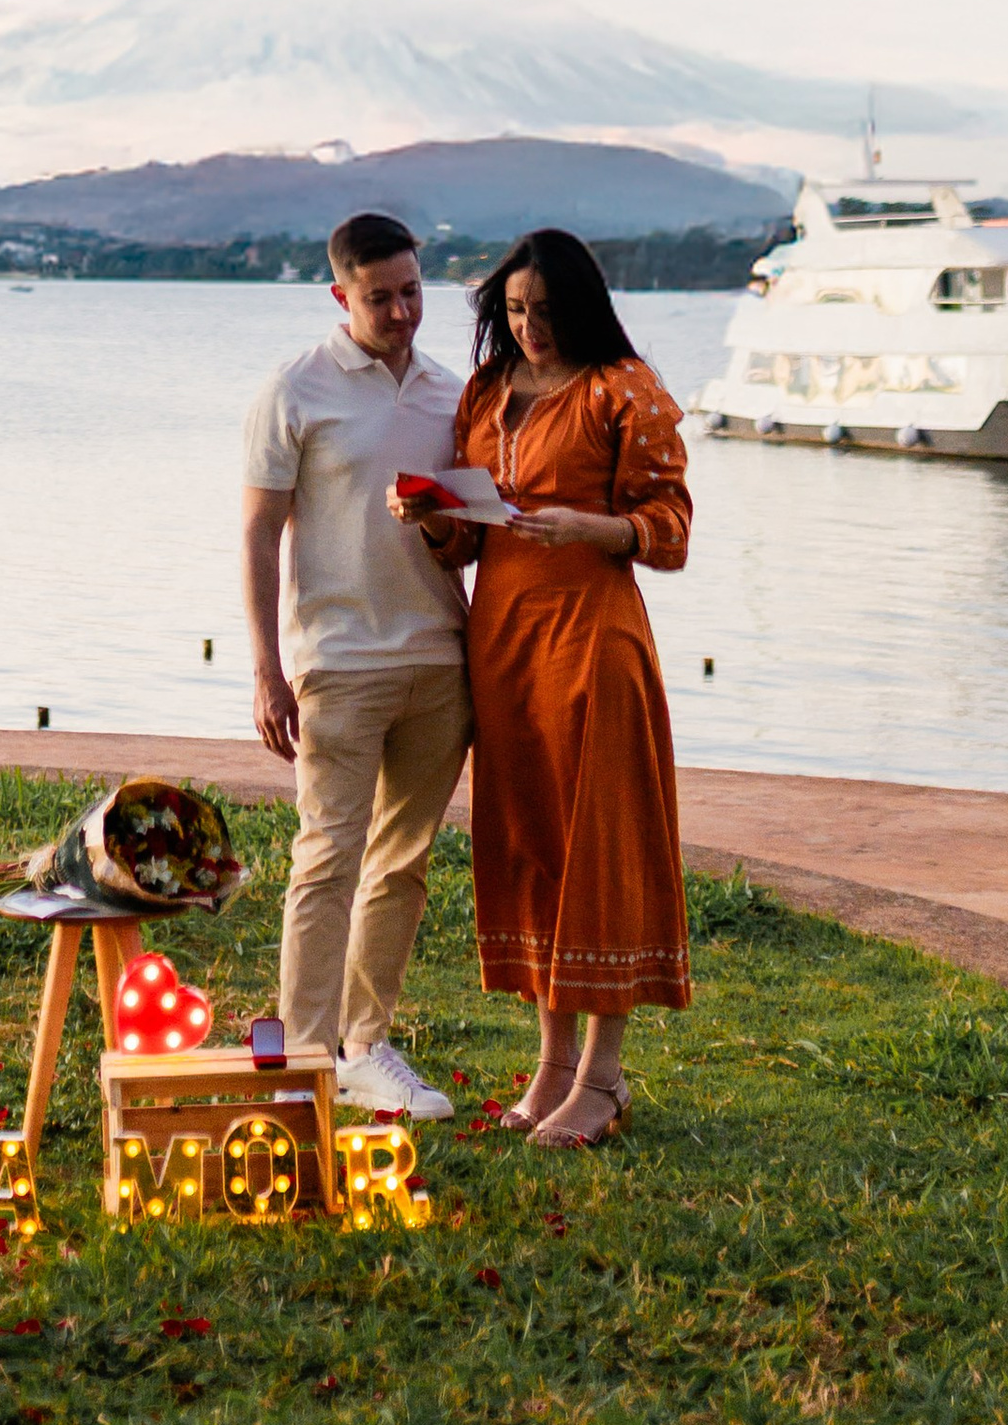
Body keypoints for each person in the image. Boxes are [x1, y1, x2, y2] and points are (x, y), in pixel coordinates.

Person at [394, 225, 690, 1148]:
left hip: (594, 634)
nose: (532, 328)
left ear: (585, 307)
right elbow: (475, 536)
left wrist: (593, 529)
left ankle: (602, 1077)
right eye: (516, 310)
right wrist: (433, 519)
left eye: (548, 312)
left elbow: (671, 527)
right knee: (527, 840)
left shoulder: (622, 387)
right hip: (504, 636)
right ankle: (553, 1064)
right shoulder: (487, 391)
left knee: (597, 840)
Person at [240, 210, 472, 1116]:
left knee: (402, 861)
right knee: (326, 858)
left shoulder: (449, 394)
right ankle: (304, 1058)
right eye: (381, 297)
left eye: (413, 290)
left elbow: (463, 538)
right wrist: (267, 669)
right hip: (337, 661)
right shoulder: (294, 389)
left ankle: (367, 1045)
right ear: (341, 295)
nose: (403, 310)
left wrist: (456, 526)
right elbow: (258, 534)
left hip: (439, 659)